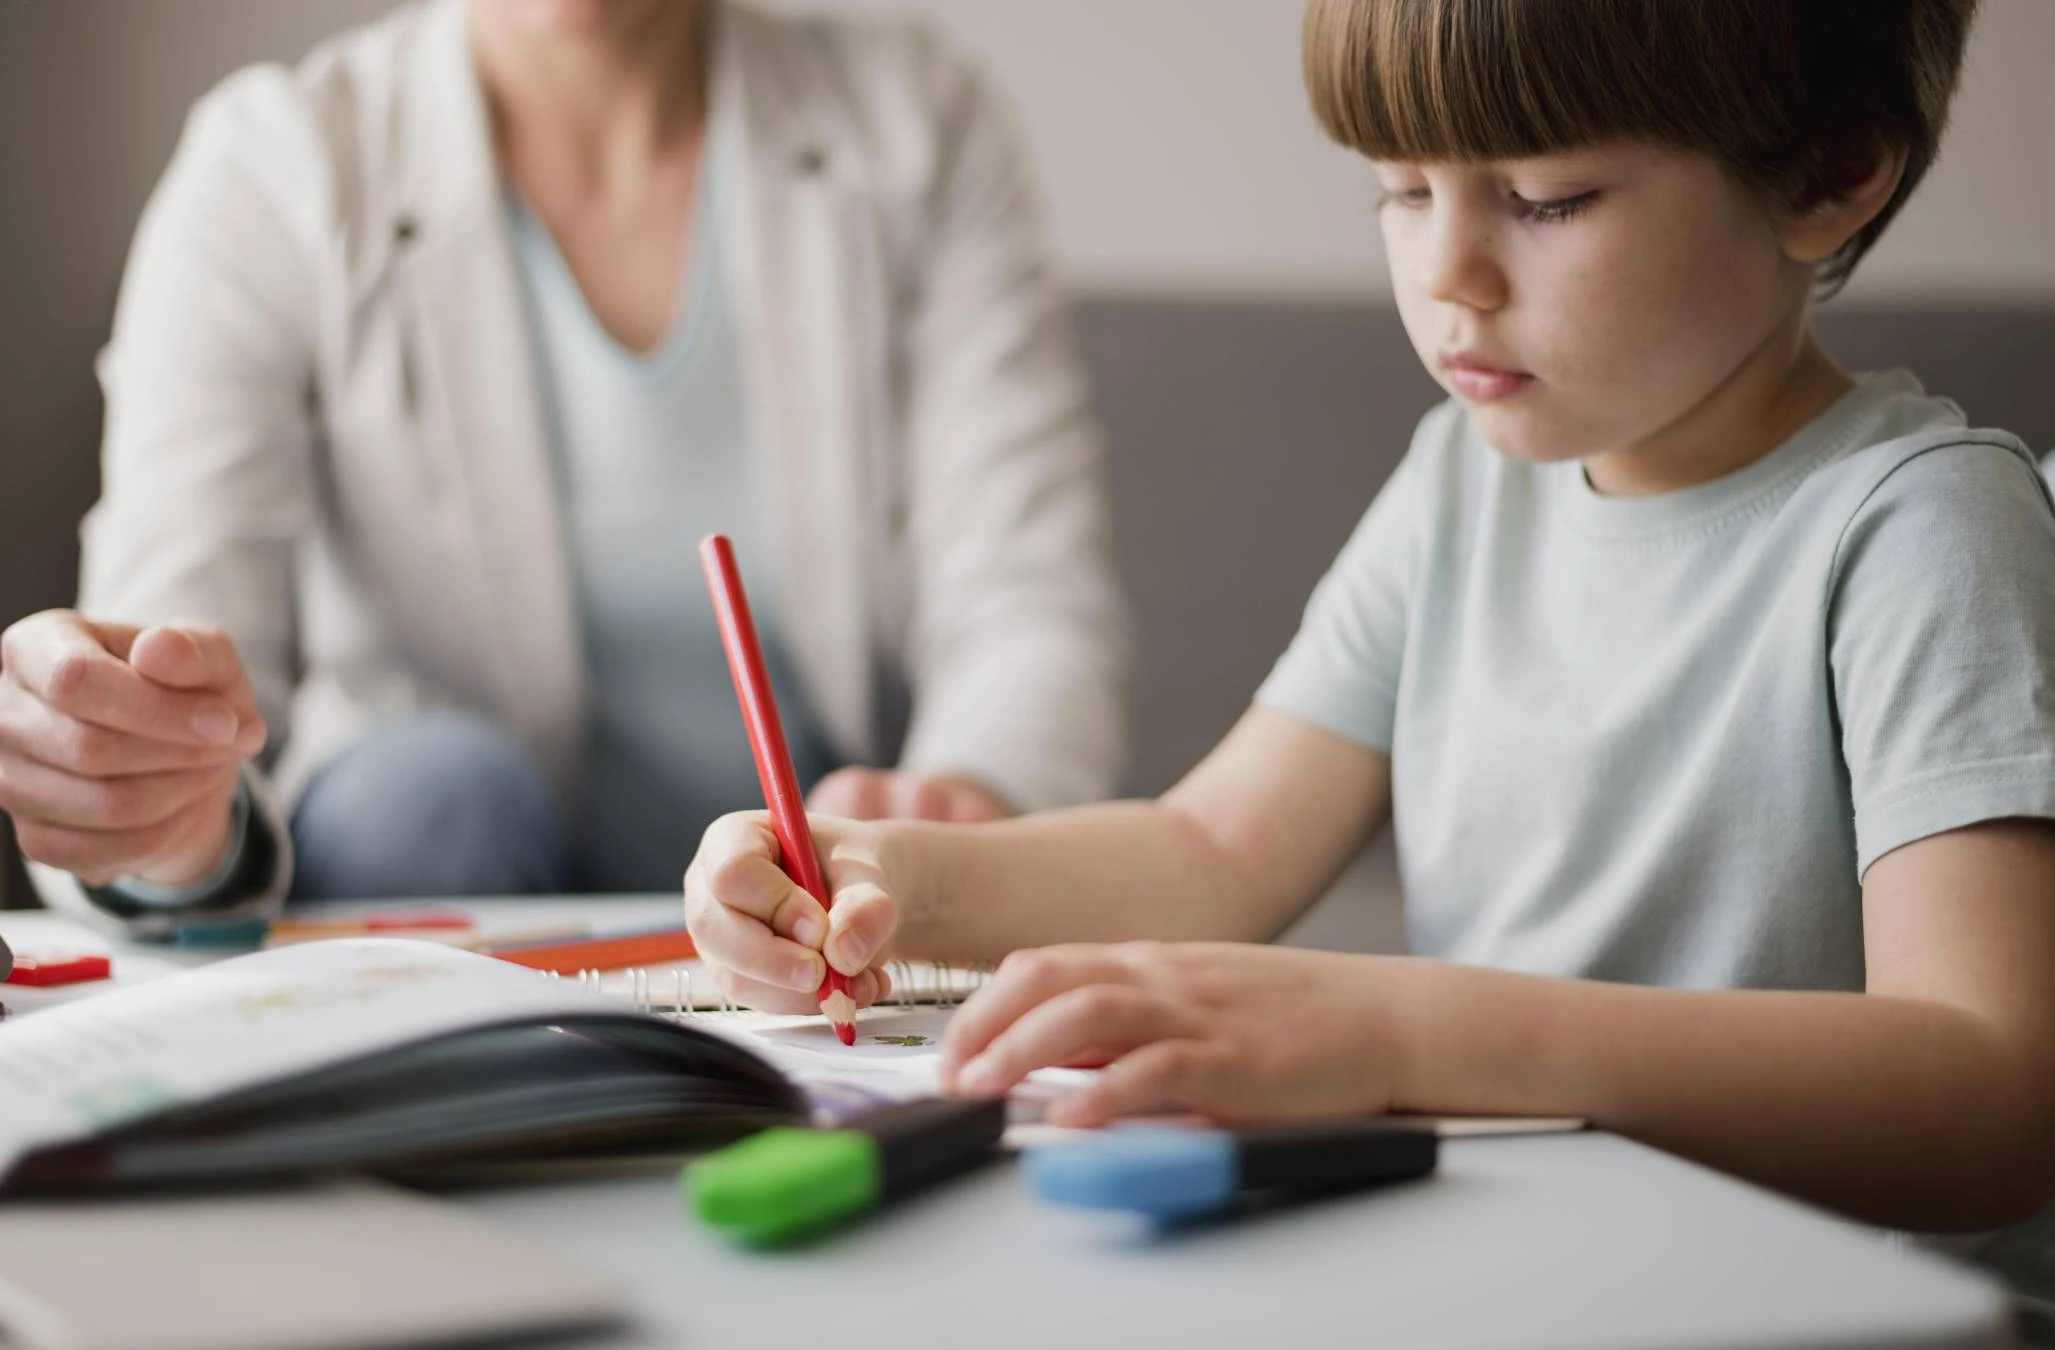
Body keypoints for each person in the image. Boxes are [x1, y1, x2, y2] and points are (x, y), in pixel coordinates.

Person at [686, 0, 2055, 1232]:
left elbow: (1992, 1096)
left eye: (1544, 196)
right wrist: (881, 877)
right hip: (1538, 1253)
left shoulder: (1919, 530)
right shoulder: (1459, 481)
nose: (1444, 272)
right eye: (1399, 189)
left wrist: (1403, 1026)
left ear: (1826, 172)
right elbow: (1211, 843)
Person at [0, 0, 1126, 926]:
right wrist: (149, 796)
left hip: (819, 913)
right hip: (425, 886)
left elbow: (1026, 607)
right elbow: (165, 651)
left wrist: (960, 807)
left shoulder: (921, 127)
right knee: (434, 801)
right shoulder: (274, 167)